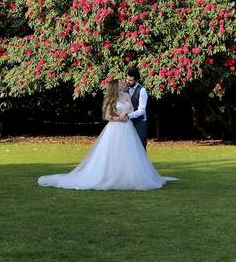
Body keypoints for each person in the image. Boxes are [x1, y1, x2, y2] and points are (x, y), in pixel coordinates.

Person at [37, 79, 176, 191]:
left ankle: (128, 176)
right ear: (115, 87)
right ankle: (111, 176)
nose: (123, 83)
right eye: (120, 83)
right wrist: (118, 118)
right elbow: (107, 116)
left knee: (129, 153)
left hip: (127, 127)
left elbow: (132, 109)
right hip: (115, 128)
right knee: (112, 152)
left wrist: (125, 114)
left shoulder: (127, 95)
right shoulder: (110, 99)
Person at [124, 68, 149, 148]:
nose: (128, 81)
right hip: (127, 123)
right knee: (128, 146)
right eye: (127, 79)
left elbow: (141, 110)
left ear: (136, 80)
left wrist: (128, 116)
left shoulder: (142, 91)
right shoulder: (125, 89)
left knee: (140, 146)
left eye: (130, 80)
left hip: (140, 122)